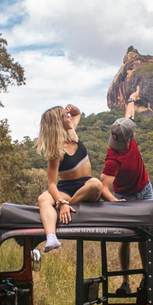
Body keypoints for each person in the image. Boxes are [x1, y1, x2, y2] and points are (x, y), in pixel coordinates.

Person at [100, 89, 153, 294]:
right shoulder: (112, 157)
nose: (118, 146)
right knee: (125, 239)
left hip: (144, 190)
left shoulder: (128, 127)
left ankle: (146, 279)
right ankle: (125, 282)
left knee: (144, 236)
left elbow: (130, 111)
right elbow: (103, 187)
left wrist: (132, 97)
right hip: (123, 196)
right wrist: (115, 201)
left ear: (131, 137)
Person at [36, 104, 103, 253]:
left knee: (96, 184)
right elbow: (52, 184)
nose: (69, 117)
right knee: (43, 199)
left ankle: (66, 206)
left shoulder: (72, 132)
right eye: (65, 116)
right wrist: (60, 200)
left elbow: (77, 113)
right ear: (58, 124)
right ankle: (51, 237)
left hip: (85, 186)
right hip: (66, 188)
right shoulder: (56, 151)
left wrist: (71, 109)